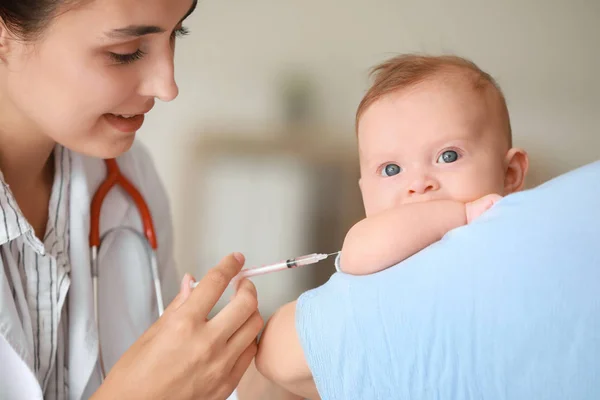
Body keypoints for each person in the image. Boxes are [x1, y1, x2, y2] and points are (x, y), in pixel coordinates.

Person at [0, 0, 267, 399]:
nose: (167, 86)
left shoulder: (128, 179)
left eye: (176, 33)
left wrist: (274, 370)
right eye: (125, 53)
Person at [254, 54, 529, 398]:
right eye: (391, 170)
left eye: (448, 156)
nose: (418, 183)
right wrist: (463, 214)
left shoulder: (521, 230)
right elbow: (358, 250)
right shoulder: (386, 247)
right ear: (364, 193)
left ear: (511, 174)